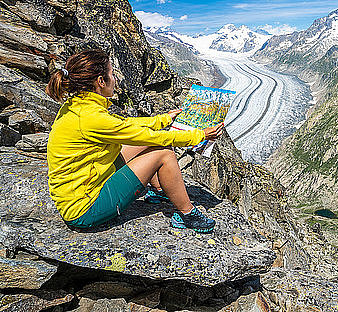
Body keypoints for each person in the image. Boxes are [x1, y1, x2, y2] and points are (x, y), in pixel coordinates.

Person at [45, 49, 224, 233]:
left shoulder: (78, 105)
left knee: (147, 143)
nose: (115, 79)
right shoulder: (90, 117)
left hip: (82, 188)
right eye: (112, 74)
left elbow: (123, 125)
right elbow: (152, 136)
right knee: (163, 152)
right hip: (86, 208)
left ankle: (159, 191)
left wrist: (163, 119)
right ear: (100, 81)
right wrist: (199, 135)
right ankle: (187, 214)